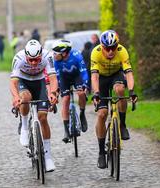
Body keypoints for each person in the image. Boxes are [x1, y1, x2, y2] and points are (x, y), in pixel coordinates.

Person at [90, 30, 138, 169]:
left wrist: (132, 91)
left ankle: (122, 124)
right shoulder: (96, 52)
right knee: (102, 114)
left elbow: (128, 73)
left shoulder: (122, 51)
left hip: (116, 75)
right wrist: (97, 93)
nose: (111, 51)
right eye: (107, 48)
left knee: (120, 90)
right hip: (102, 79)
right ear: (102, 46)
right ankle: (100, 152)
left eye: (113, 48)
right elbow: (94, 77)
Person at [10, 39, 59, 172]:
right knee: (25, 98)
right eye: (30, 60)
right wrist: (15, 98)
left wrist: (53, 93)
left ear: (41, 55)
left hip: (40, 82)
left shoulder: (47, 56)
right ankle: (25, 127)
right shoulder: (18, 57)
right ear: (25, 55)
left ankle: (48, 157)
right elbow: (13, 82)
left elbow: (53, 78)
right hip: (24, 82)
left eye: (36, 60)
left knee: (43, 117)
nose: (33, 63)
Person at [52, 39, 89, 143]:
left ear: (64, 53)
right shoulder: (56, 61)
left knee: (81, 93)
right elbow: (57, 77)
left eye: (56, 53)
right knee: (65, 99)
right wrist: (57, 90)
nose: (54, 55)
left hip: (77, 76)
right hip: (64, 78)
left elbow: (84, 72)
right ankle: (66, 130)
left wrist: (85, 84)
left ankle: (82, 113)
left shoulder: (77, 56)